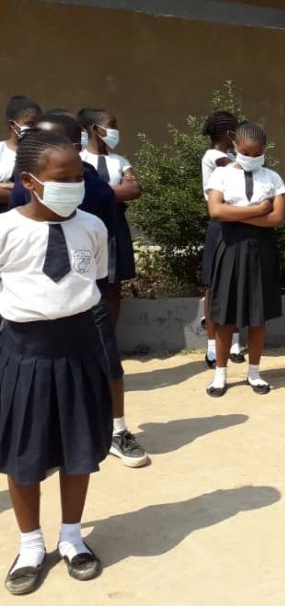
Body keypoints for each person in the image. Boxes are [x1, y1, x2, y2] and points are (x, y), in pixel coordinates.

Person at [0, 131, 113, 594]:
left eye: (78, 176)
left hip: (80, 346)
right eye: (60, 178)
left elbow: (96, 281)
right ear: (30, 180)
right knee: (23, 455)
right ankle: (30, 544)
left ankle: (72, 536)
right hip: (24, 350)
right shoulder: (6, 230)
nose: (73, 184)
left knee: (78, 448)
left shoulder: (91, 226)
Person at [9, 113, 149, 468]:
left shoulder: (93, 187)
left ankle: (117, 430)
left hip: (85, 296)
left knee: (107, 360)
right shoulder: (27, 184)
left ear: (75, 148)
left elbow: (107, 234)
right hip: (31, 305)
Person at [205, 121, 285, 397]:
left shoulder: (273, 178)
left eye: (258, 153)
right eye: (247, 152)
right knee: (226, 316)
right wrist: (258, 210)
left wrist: (238, 212)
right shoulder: (222, 175)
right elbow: (216, 211)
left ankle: (254, 372)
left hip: (261, 250)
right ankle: (220, 373)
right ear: (234, 145)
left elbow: (277, 218)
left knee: (258, 316)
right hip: (230, 248)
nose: (252, 158)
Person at [78, 108, 141, 324]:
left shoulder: (120, 160)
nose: (115, 131)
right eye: (112, 125)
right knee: (86, 278)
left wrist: (98, 191)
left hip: (115, 225)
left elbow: (134, 190)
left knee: (113, 284)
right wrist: (115, 190)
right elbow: (80, 191)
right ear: (96, 129)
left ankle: (109, 340)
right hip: (85, 226)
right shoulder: (79, 158)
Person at [200, 111, 243, 368]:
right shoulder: (215, 157)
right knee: (214, 284)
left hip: (239, 221)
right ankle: (212, 346)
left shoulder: (235, 157)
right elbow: (239, 170)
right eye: (236, 132)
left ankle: (234, 340)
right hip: (221, 223)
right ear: (229, 134)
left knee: (238, 283)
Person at [1, 96, 42, 207]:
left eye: (39, 123)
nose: (35, 128)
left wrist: (9, 187)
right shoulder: (1, 150)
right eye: (30, 123)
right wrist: (24, 191)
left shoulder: (43, 152)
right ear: (13, 125)